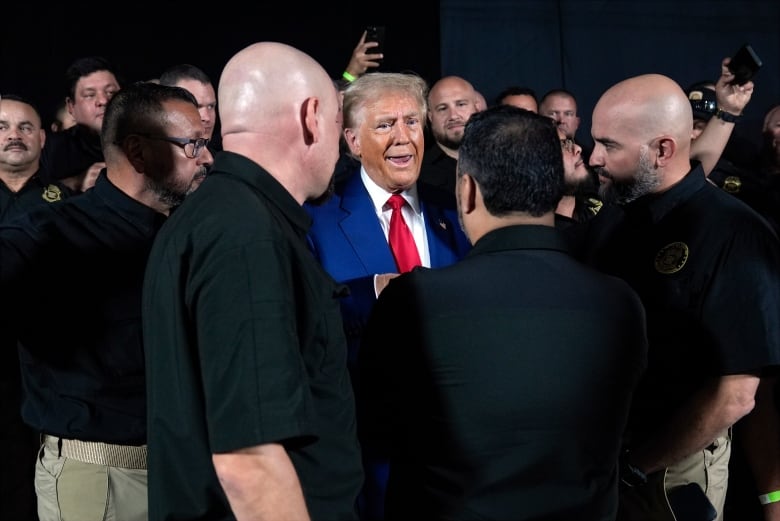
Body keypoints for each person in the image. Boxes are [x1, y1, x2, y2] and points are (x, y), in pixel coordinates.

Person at [358, 104, 648, 520]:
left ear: (468, 191)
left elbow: (376, 430)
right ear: (554, 187)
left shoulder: (415, 300)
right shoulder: (621, 302)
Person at [142, 41, 363, 521]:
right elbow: (248, 462)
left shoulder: (217, 216)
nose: (342, 139)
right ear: (310, 116)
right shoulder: (245, 235)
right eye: (337, 119)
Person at [0, 82, 210, 521]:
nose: (206, 157)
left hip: (185, 471)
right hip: (98, 478)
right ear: (137, 152)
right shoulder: (49, 234)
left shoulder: (189, 232)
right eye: (192, 145)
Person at [577, 72, 780, 521]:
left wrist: (636, 466)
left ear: (662, 150)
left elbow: (739, 393)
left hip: (673, 472)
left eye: (608, 145)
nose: (593, 157)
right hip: (601, 459)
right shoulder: (613, 216)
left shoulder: (735, 235)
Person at [304, 71, 471, 520]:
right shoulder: (315, 220)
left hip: (455, 455)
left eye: (412, 122)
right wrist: (373, 292)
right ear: (353, 141)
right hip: (365, 456)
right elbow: (304, 319)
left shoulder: (458, 213)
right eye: (385, 125)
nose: (403, 138)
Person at [0, 93, 73, 521]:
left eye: (26, 127)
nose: (14, 135)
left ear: (43, 139)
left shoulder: (66, 204)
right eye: (3, 127)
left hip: (49, 370)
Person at [40, 56, 122, 193]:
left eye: (111, 92)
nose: (103, 100)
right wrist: (76, 182)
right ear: (71, 107)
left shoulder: (147, 142)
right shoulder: (50, 148)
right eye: (90, 95)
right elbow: (28, 199)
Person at [417, 75, 482, 194]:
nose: (453, 116)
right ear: (430, 117)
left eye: (461, 104)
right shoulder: (418, 172)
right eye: (442, 109)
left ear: (477, 108)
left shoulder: (503, 161)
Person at [159, 63, 221, 153]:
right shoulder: (146, 162)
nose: (207, 118)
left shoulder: (222, 164)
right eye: (196, 106)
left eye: (211, 106)